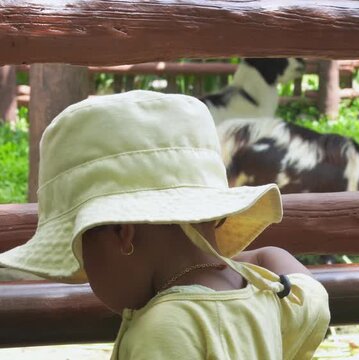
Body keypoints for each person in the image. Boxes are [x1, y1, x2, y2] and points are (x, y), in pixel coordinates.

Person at [0, 90, 330, 359]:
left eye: (82, 252)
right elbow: (313, 298)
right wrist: (248, 259)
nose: (86, 272)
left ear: (121, 233)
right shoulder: (268, 296)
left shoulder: (164, 329)